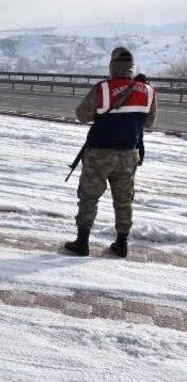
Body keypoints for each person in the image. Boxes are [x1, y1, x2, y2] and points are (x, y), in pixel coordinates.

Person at [65, 47, 157, 258]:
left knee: (89, 197)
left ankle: (82, 242)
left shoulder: (103, 89)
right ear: (132, 67)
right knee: (124, 199)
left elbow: (82, 115)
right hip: (128, 153)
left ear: (112, 66)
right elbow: (149, 122)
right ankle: (121, 244)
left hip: (99, 153)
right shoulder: (148, 91)